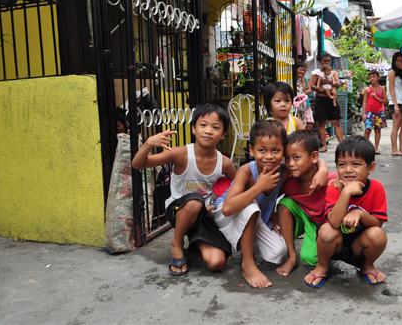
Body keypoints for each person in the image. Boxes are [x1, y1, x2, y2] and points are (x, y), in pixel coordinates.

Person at [212, 120, 330, 288]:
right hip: (226, 217)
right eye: (262, 150)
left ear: (284, 150)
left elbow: (312, 159)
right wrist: (259, 187)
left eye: (276, 150)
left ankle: (249, 248)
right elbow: (227, 208)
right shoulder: (247, 172)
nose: (269, 156)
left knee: (278, 251)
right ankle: (248, 264)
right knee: (250, 205)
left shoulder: (283, 170)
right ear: (251, 150)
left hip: (254, 218)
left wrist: (323, 168)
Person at [131, 102, 236, 276]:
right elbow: (138, 164)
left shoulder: (224, 163)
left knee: (216, 263)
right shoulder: (181, 153)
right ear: (194, 129)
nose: (208, 130)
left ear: (223, 134)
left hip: (204, 215)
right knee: (195, 201)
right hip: (178, 210)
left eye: (215, 127)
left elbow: (236, 186)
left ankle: (195, 244)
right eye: (203, 125)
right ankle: (177, 243)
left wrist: (218, 204)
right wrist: (148, 144)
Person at [304, 135, 388, 288]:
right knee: (326, 230)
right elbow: (334, 222)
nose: (348, 170)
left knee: (378, 235)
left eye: (356, 164)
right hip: (337, 245)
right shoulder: (334, 188)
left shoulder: (377, 188)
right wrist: (346, 192)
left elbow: (378, 223)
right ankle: (322, 266)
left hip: (360, 246)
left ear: (370, 168)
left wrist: (360, 214)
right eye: (342, 164)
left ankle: (367, 266)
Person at [275, 130, 338, 277]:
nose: (290, 164)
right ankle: (292, 256)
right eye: (287, 158)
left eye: (296, 157)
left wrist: (323, 169)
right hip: (307, 218)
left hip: (326, 226)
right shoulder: (289, 184)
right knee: (284, 204)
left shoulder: (332, 180)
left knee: (310, 258)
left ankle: (330, 248)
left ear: (314, 156)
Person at [309, 53, 343, 152]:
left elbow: (338, 84)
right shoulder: (315, 73)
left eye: (328, 60)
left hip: (332, 100)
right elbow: (312, 86)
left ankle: (342, 145)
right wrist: (322, 89)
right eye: (325, 61)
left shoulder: (333, 73)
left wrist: (331, 83)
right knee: (321, 123)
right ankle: (324, 145)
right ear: (320, 62)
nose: (327, 62)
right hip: (321, 100)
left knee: (336, 122)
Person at [362, 70, 388, 154]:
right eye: (370, 77)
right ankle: (365, 148)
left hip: (379, 112)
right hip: (369, 112)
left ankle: (376, 148)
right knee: (367, 130)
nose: (372, 79)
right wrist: (364, 114)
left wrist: (376, 97)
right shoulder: (367, 89)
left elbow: (385, 101)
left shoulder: (382, 88)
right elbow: (364, 102)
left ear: (378, 77)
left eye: (373, 77)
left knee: (377, 130)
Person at [295, 62, 314, 131]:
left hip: (302, 111)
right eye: (300, 69)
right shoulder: (293, 83)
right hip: (297, 111)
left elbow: (303, 90)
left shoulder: (299, 82)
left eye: (303, 70)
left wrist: (303, 77)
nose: (302, 72)